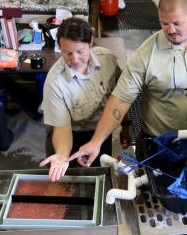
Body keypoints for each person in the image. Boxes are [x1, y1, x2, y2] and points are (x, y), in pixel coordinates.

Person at [69, 0, 187, 167]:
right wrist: (96, 141)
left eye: (177, 23)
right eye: (164, 23)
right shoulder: (146, 54)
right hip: (158, 146)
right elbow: (120, 100)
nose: (171, 30)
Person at [39, 17, 126, 181]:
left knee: (100, 178)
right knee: (67, 182)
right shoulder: (55, 82)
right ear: (60, 48)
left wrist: (126, 125)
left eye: (80, 51)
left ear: (91, 42)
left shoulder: (108, 60)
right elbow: (62, 129)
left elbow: (121, 96)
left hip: (101, 131)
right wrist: (62, 155)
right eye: (67, 53)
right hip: (70, 134)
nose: (75, 60)